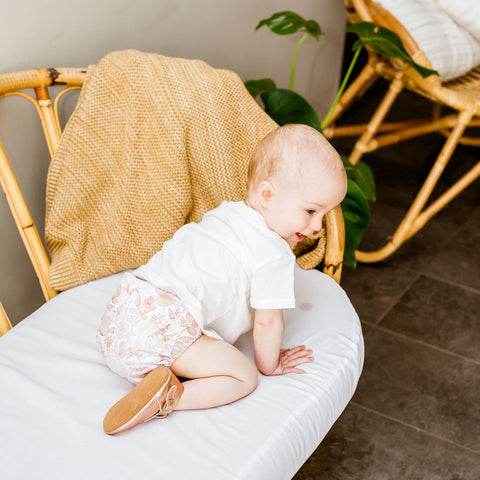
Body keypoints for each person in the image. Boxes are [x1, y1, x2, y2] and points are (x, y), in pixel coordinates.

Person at [96, 123, 348, 435]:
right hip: (162, 332)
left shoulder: (225, 213)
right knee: (244, 376)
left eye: (324, 215)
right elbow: (267, 322)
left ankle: (156, 377)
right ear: (267, 194)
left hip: (120, 318)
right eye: (311, 211)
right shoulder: (274, 253)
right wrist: (272, 364)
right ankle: (169, 397)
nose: (318, 226)